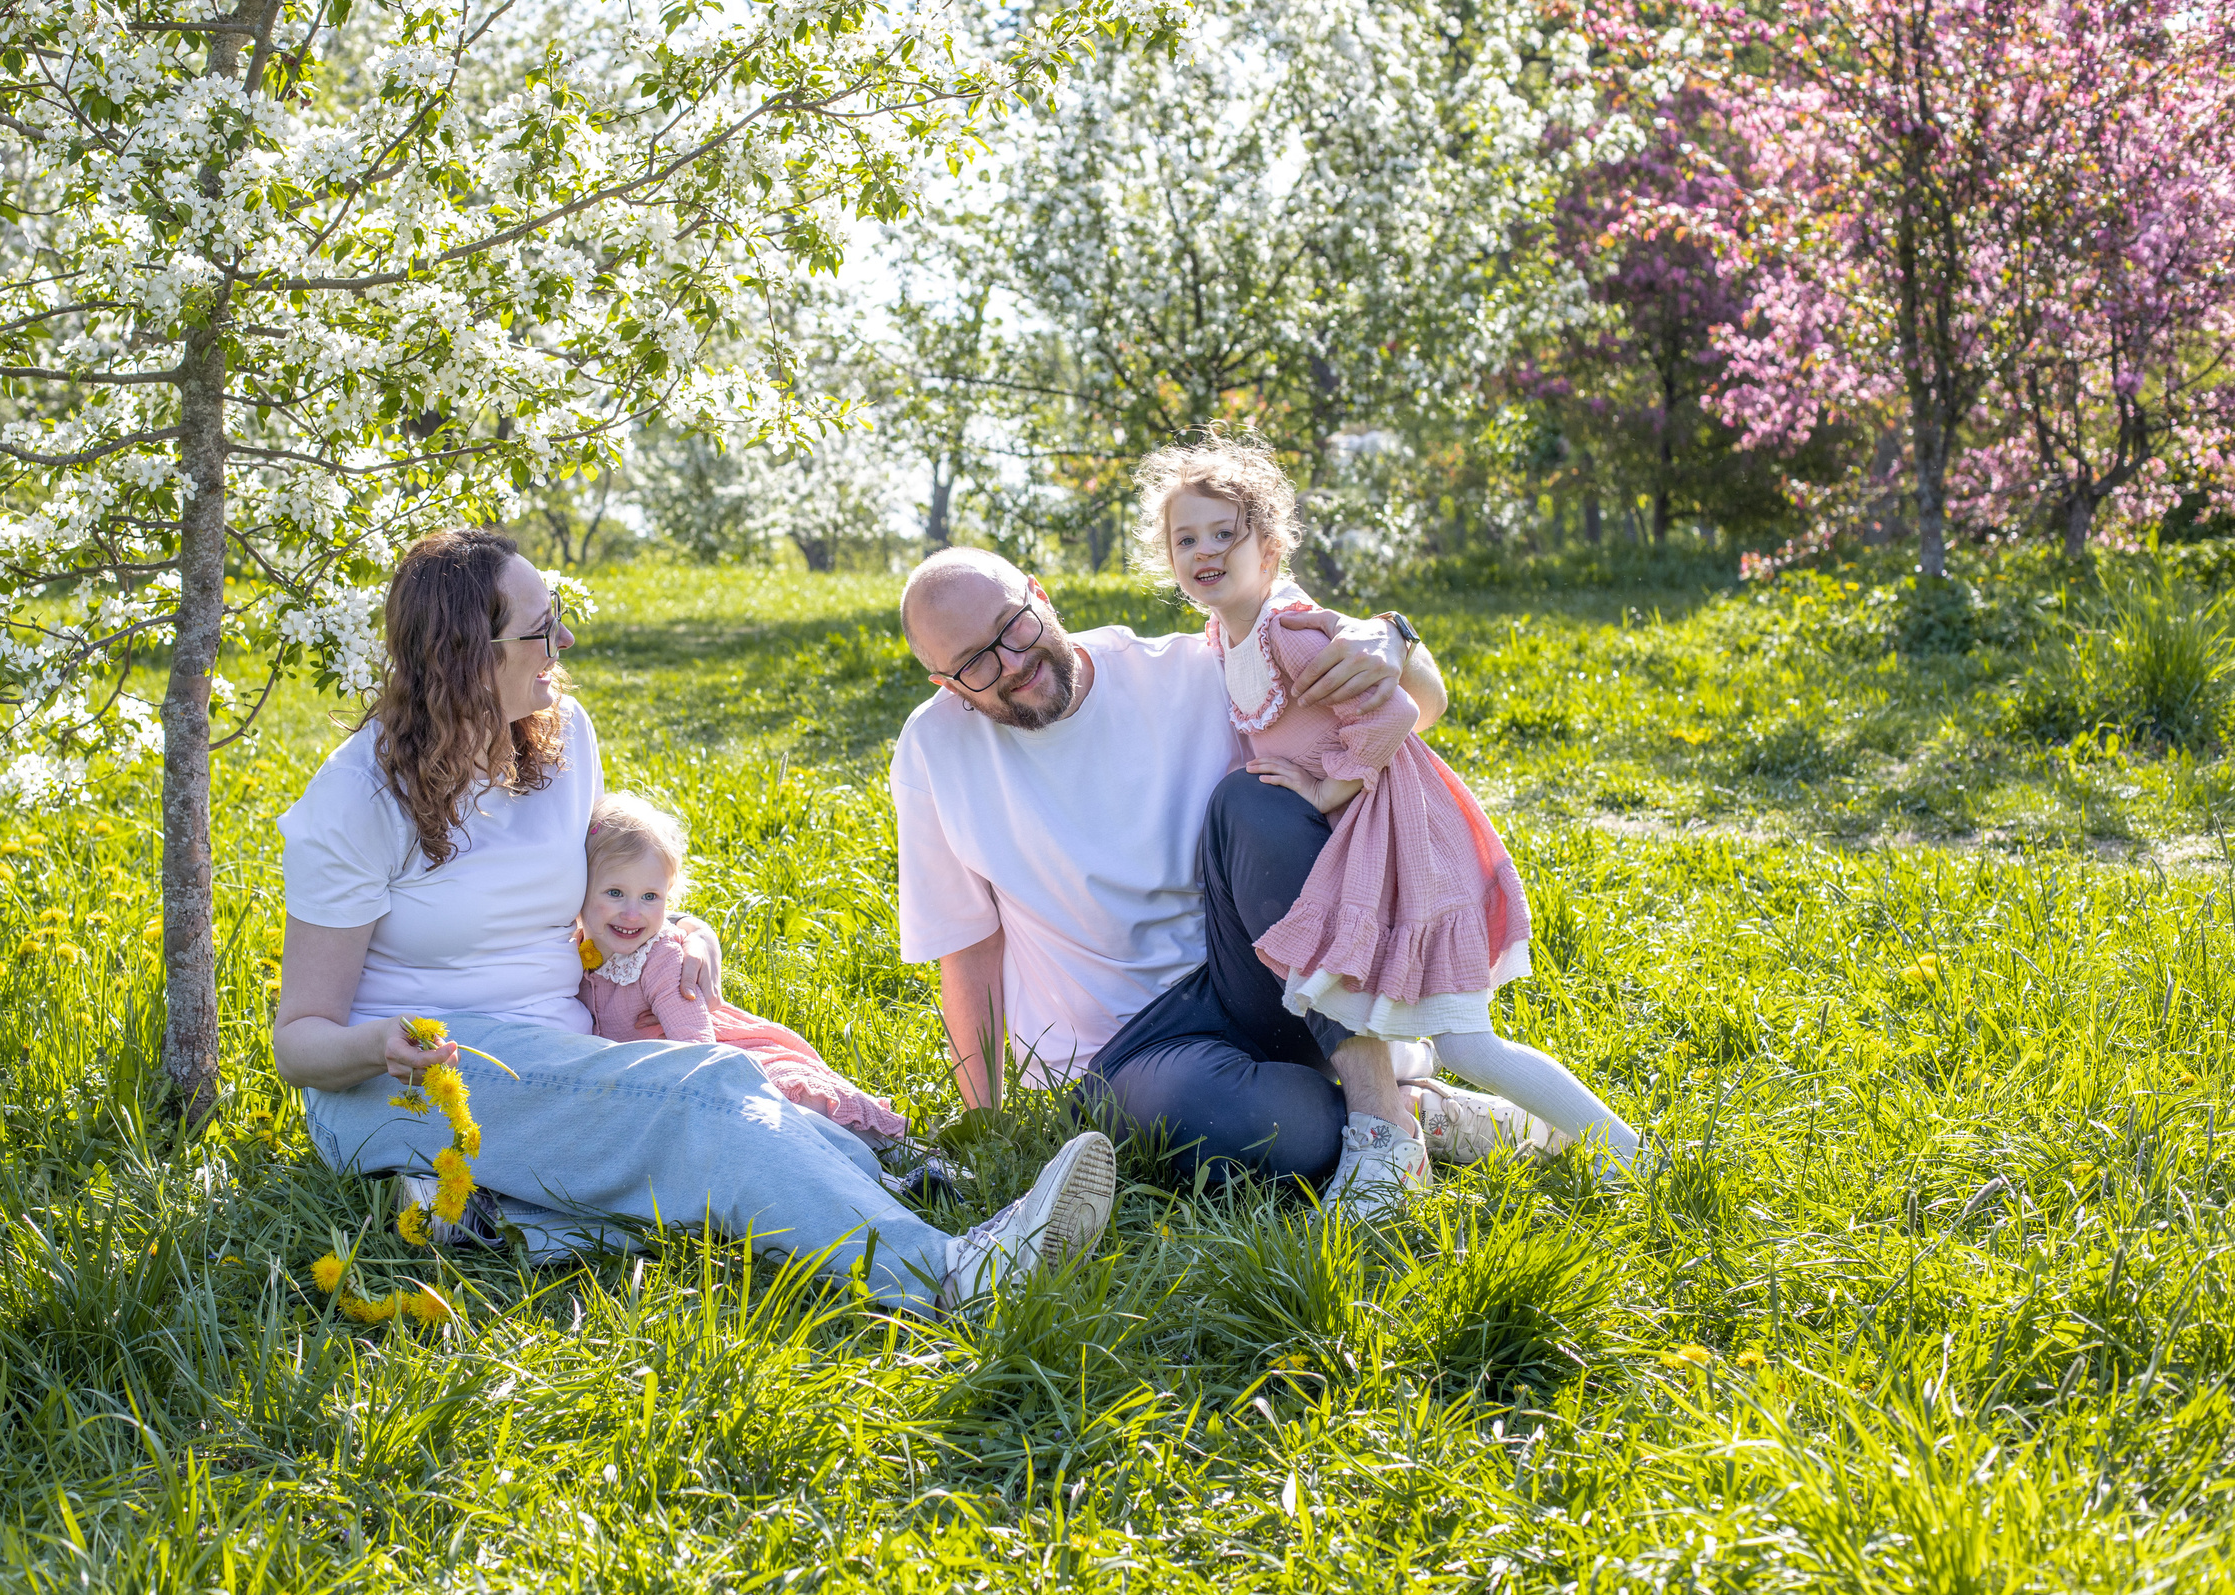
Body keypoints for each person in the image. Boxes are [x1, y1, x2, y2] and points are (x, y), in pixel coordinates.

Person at [272, 525, 1116, 1315]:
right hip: (412, 1083)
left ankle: (497, 1209)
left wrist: (679, 929)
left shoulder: (560, 738)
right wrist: (379, 1042)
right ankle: (954, 1273)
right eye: (540, 629)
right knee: (699, 1096)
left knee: (726, 1100)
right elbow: (299, 1044)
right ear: (467, 658)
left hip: (564, 1054)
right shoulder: (355, 799)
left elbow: (604, 886)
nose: (564, 639)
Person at [893, 530, 1540, 1192]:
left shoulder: (1193, 670)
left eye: (1013, 627)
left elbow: (1415, 707)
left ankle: (1381, 1118)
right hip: (1125, 1052)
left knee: (1256, 799)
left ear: (1040, 595)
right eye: (974, 663)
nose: (1011, 663)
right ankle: (1418, 1109)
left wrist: (1394, 638)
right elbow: (969, 951)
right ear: (946, 682)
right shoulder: (934, 750)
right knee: (1284, 1130)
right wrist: (987, 1126)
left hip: (1258, 982)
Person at [1136, 440, 1643, 1211]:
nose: (1204, 550)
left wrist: (1324, 785)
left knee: (1467, 1040)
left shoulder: (1289, 631)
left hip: (1398, 837)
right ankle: (1447, 1125)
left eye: (1224, 534)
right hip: (1356, 847)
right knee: (1403, 1017)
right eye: (1186, 538)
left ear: (1268, 550)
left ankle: (1631, 1154)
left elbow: (1396, 710)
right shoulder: (1225, 637)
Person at [578, 790, 908, 1142]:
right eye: (615, 893)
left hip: (725, 1062)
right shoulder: (574, 952)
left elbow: (698, 1050)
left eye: (650, 896)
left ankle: (892, 1150)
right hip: (653, 1083)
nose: (632, 913)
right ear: (580, 888)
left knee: (793, 1104)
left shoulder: (660, 957)